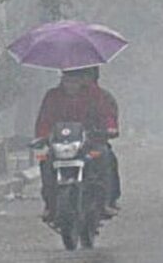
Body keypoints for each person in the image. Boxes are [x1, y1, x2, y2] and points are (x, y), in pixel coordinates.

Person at [35, 67, 120, 221]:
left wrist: (110, 128)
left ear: (83, 80)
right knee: (46, 162)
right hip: (61, 144)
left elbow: (107, 114)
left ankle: (107, 201)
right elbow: (44, 119)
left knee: (105, 157)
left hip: (91, 142)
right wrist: (42, 136)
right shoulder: (53, 96)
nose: (71, 85)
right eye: (67, 80)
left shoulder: (96, 95)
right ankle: (50, 204)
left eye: (75, 80)